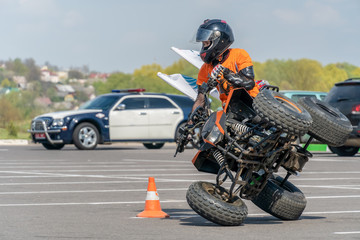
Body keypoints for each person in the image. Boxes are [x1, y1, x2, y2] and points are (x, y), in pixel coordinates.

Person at [189, 19, 260, 115]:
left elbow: (249, 83)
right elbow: (200, 99)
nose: (204, 47)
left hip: (253, 103)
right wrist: (191, 121)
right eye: (203, 44)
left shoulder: (239, 54)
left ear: (219, 41)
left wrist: (229, 75)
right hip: (230, 111)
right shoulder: (205, 68)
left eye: (206, 43)